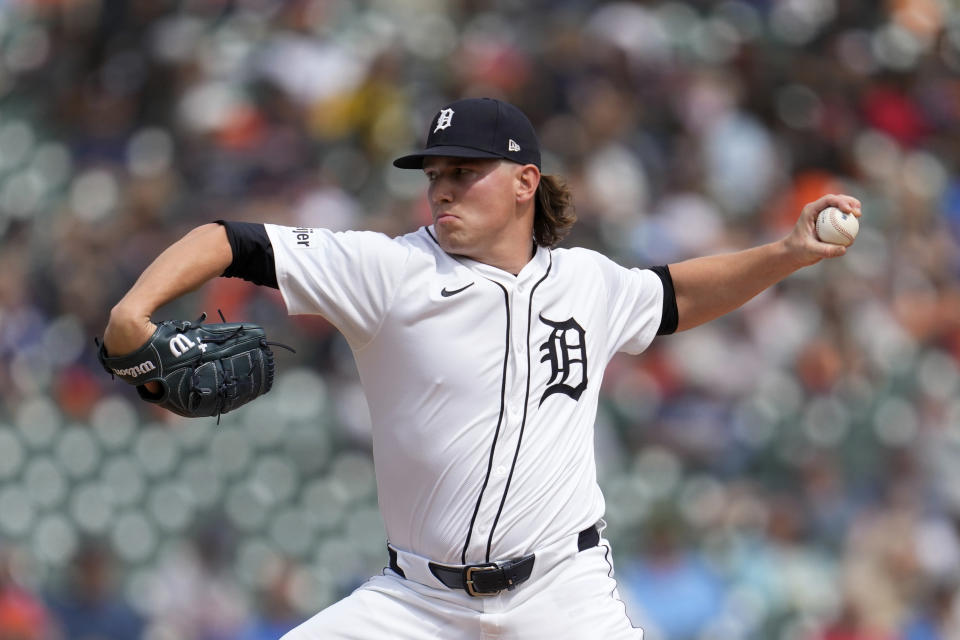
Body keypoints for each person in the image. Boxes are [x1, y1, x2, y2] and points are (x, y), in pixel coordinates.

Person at [102, 97, 861, 639]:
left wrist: (788, 253)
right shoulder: (388, 271)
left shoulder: (587, 283)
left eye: (466, 171)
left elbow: (677, 294)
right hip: (416, 605)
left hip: (562, 595)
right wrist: (130, 315)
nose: (442, 187)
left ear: (525, 181)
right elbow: (228, 240)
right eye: (435, 172)